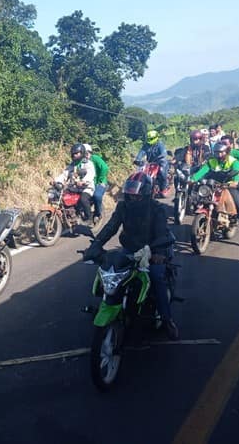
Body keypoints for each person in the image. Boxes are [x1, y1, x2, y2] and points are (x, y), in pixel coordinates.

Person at [83, 171, 179, 340]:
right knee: (111, 271)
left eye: (136, 195)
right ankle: (111, 305)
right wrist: (96, 245)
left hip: (152, 250)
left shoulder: (157, 209)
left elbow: (162, 233)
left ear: (146, 193)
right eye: (129, 193)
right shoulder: (123, 206)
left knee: (157, 277)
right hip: (129, 249)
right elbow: (111, 227)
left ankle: (167, 319)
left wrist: (157, 253)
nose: (132, 198)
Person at [190, 142, 239, 248]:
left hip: (228, 186)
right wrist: (193, 179)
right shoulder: (212, 161)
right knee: (199, 198)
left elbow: (236, 178)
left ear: (227, 152)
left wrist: (231, 183)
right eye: (216, 152)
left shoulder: (233, 162)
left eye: (221, 152)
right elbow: (203, 171)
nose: (218, 155)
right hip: (213, 185)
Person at [51, 143, 96, 226]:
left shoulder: (88, 163)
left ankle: (89, 218)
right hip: (75, 187)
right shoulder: (72, 165)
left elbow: (91, 174)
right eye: (73, 154)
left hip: (87, 187)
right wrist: (56, 181)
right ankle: (68, 216)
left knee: (83, 199)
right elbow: (64, 174)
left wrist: (83, 181)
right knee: (62, 197)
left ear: (82, 152)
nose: (75, 155)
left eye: (77, 153)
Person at [134, 130, 170, 197]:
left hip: (161, 162)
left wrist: (160, 157)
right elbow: (141, 152)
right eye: (148, 138)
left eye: (151, 139)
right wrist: (137, 159)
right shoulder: (146, 145)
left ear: (156, 138)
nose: (149, 140)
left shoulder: (160, 144)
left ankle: (163, 189)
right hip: (150, 163)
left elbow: (163, 153)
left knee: (162, 172)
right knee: (142, 172)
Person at [220, 135, 239, 206]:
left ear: (230, 144)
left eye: (225, 144)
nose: (223, 146)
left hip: (235, 178)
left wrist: (234, 164)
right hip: (221, 177)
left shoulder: (237, 153)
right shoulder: (218, 153)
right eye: (221, 144)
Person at [83, 143, 109, 225]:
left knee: (97, 196)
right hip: (88, 183)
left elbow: (105, 168)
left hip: (100, 183)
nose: (85, 155)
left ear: (90, 152)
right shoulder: (82, 162)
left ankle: (98, 213)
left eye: (86, 153)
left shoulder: (95, 158)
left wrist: (100, 180)